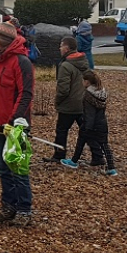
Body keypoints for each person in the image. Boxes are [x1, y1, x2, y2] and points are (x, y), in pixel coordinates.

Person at [0, 22, 34, 227]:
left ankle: (25, 210)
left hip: (15, 125)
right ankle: (8, 206)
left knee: (18, 167)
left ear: (5, 40)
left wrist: (15, 120)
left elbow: (25, 94)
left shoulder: (21, 62)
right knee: (3, 168)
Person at [45, 36, 93, 164]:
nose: (59, 48)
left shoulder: (65, 65)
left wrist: (58, 101)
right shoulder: (84, 61)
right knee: (87, 130)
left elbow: (63, 89)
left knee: (62, 130)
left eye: (61, 46)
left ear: (66, 48)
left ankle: (59, 155)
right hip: (83, 102)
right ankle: (97, 155)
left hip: (69, 104)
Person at [61, 71, 117, 175]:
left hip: (90, 124)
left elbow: (90, 113)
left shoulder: (88, 95)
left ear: (87, 82)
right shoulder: (102, 93)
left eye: (83, 80)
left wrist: (86, 127)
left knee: (81, 141)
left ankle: (73, 161)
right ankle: (111, 168)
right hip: (102, 124)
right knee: (105, 145)